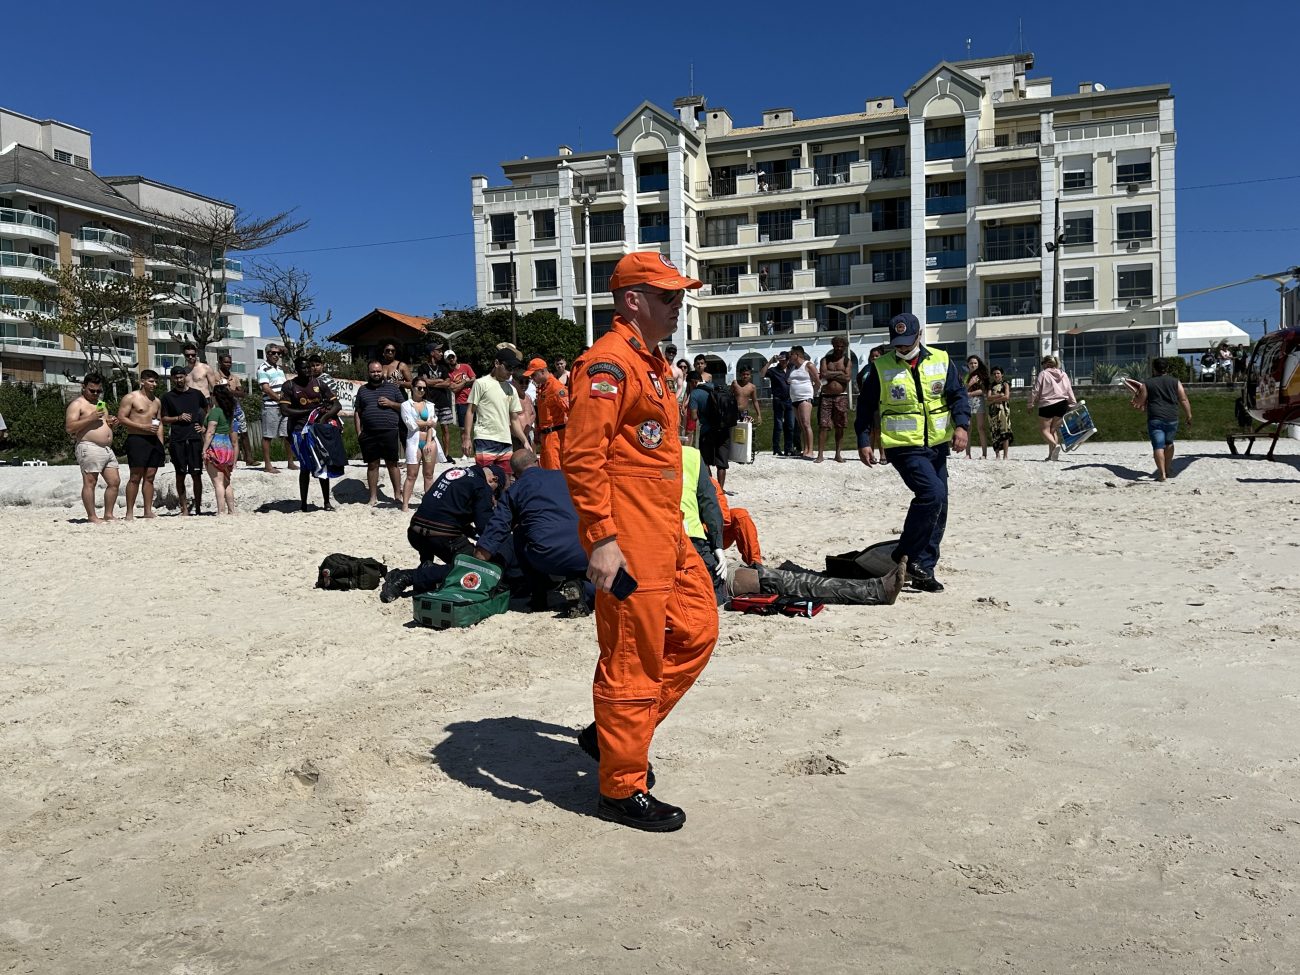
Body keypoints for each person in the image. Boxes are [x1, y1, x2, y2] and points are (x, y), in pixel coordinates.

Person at [563, 250, 718, 833]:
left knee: (699, 628)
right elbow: (582, 457)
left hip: (665, 529)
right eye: (669, 297)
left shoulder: (648, 362)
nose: (679, 307)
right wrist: (602, 540)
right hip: (629, 536)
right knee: (633, 657)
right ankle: (620, 785)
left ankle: (612, 736)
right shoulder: (607, 365)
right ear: (633, 300)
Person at [856, 312, 970, 594]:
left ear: (920, 336)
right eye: (898, 343)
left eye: (908, 341)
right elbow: (865, 406)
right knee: (932, 494)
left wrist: (962, 426)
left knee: (940, 505)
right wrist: (863, 440)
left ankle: (923, 569)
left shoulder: (942, 360)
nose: (903, 348)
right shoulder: (880, 368)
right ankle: (904, 553)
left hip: (937, 445)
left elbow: (957, 395)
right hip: (903, 447)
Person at [473, 448, 590, 610]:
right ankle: (584, 590)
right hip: (586, 552)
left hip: (547, 557)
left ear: (515, 475)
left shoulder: (514, 490)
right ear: (539, 462)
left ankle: (539, 597)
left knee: (521, 533)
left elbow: (497, 527)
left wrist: (480, 556)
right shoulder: (565, 476)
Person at [381, 464, 504, 602]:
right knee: (472, 567)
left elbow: (446, 510)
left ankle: (426, 571)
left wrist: (472, 532)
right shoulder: (482, 486)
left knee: (446, 543)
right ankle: (406, 576)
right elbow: (485, 527)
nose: (493, 498)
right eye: (496, 493)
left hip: (415, 532)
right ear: (494, 479)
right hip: (440, 537)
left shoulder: (454, 471)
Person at [282, 353, 342, 510]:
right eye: (304, 368)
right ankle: (303, 504)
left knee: (323, 465)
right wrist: (308, 412)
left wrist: (323, 418)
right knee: (305, 467)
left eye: (309, 367)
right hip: (299, 430)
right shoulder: (289, 386)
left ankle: (326, 502)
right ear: (296, 369)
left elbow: (337, 405)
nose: (308, 370)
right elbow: (285, 410)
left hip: (319, 431)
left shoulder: (320, 384)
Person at [65, 371, 120, 523]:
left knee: (114, 481)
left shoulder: (100, 405)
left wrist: (111, 423)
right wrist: (90, 418)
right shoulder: (77, 404)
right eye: (92, 390)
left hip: (106, 449)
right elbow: (70, 427)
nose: (95, 394)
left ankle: (108, 514)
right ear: (84, 387)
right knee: (90, 482)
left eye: (98, 391)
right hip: (88, 446)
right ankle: (92, 516)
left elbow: (104, 424)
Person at [462, 348, 527, 469]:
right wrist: (467, 438)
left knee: (506, 481)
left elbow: (514, 420)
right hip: (485, 438)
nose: (511, 372)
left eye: (513, 368)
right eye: (508, 367)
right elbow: (470, 411)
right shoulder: (481, 383)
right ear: (497, 363)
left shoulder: (511, 389)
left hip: (505, 441)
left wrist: (524, 441)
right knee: (487, 480)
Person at [1131, 357, 1193, 482]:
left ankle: (1162, 474)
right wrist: (1189, 415)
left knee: (1158, 446)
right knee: (1169, 443)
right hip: (1172, 417)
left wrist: (1134, 402)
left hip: (1155, 417)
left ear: (1154, 369)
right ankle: (1168, 468)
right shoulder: (1175, 382)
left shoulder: (1147, 384)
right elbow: (1183, 399)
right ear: (1167, 369)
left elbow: (1141, 401)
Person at [680, 444, 728, 604]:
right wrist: (718, 546)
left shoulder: (635, 453)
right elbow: (710, 505)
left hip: (649, 539)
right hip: (691, 538)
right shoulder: (691, 456)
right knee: (717, 586)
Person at [354, 359, 404, 506]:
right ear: (368, 373)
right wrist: (358, 432)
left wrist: (391, 403)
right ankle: (373, 497)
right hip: (369, 433)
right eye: (372, 371)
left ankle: (397, 496)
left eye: (378, 371)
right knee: (372, 464)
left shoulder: (393, 388)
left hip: (389, 431)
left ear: (382, 371)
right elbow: (358, 412)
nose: (376, 373)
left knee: (392, 463)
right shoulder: (362, 390)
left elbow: (405, 407)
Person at [116, 369, 164, 520]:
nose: (154, 384)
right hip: (137, 438)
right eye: (151, 381)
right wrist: (143, 427)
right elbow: (122, 418)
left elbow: (159, 421)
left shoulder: (157, 401)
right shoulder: (131, 397)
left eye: (156, 381)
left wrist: (161, 442)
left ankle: (148, 510)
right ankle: (129, 512)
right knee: (135, 476)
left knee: (150, 476)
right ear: (142, 381)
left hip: (153, 441)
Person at [161, 367, 207, 516]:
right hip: (177, 439)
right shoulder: (168, 397)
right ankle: (184, 508)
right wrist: (178, 418)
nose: (179, 380)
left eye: (181, 377)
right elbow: (164, 418)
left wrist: (204, 426)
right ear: (172, 379)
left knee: (196, 475)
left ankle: (198, 507)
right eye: (176, 378)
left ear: (186, 377)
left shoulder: (196, 394)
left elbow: (207, 408)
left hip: (194, 439)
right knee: (180, 474)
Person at [399, 377, 439, 512]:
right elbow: (410, 424)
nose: (421, 390)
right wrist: (427, 423)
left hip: (429, 442)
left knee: (428, 474)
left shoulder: (430, 405)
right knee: (411, 474)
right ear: (413, 388)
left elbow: (433, 426)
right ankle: (405, 504)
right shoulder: (406, 405)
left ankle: (428, 504)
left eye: (424, 388)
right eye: (419, 387)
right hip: (414, 442)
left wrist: (428, 441)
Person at [1027, 355, 1076, 461]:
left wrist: (1030, 404)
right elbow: (1069, 389)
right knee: (1053, 431)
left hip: (1047, 404)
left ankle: (1054, 445)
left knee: (1044, 430)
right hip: (1062, 404)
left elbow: (1035, 389)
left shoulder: (1043, 374)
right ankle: (1051, 456)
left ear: (1046, 364)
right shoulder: (1063, 374)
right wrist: (1072, 403)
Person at [201, 383, 239, 516]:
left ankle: (221, 511)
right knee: (227, 481)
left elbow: (210, 432)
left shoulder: (216, 411)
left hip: (216, 446)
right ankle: (231, 510)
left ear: (215, 396)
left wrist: (204, 449)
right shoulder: (229, 411)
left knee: (217, 482)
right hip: (227, 446)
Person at [256, 344, 294, 473]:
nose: (276, 355)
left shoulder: (279, 368)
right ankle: (267, 465)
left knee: (287, 434)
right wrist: (280, 400)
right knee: (268, 435)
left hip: (283, 406)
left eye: (278, 353)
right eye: (273, 353)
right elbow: (265, 388)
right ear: (267, 354)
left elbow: (287, 350)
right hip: (271, 406)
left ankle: (290, 462)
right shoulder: (263, 369)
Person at [527, 358, 569, 470]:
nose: (531, 378)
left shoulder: (556, 387)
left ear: (542, 371)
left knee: (554, 470)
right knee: (545, 469)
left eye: (533, 375)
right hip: (545, 436)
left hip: (555, 436)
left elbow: (570, 409)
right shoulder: (543, 388)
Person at [415, 344, 456, 458]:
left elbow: (448, 383)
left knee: (445, 429)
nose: (441, 353)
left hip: (443, 402)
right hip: (429, 402)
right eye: (439, 351)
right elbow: (424, 382)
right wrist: (439, 381)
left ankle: (447, 455)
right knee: (428, 428)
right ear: (432, 353)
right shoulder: (423, 367)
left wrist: (431, 383)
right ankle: (428, 453)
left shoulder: (443, 367)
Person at [817, 336, 851, 463]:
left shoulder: (847, 361)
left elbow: (848, 378)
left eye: (841, 346)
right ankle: (820, 454)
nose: (839, 348)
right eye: (837, 346)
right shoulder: (826, 359)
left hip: (841, 396)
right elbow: (823, 374)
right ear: (833, 346)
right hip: (826, 396)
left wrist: (833, 375)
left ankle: (838, 453)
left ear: (845, 347)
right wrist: (840, 374)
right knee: (823, 425)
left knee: (840, 425)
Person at [215, 353, 252, 467]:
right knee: (227, 434)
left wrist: (229, 391)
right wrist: (233, 392)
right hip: (223, 409)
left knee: (244, 432)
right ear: (220, 362)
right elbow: (218, 392)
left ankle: (249, 458)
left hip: (236, 407)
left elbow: (242, 393)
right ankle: (227, 458)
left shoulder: (234, 377)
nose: (228, 364)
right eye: (225, 362)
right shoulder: (216, 376)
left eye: (229, 362)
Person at [761, 351, 798, 456]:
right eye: (781, 360)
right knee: (778, 425)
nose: (783, 362)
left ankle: (788, 448)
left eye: (785, 360)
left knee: (790, 425)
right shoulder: (774, 370)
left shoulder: (792, 368)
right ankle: (776, 448)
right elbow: (762, 374)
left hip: (790, 400)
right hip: (778, 400)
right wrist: (769, 362)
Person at [787, 346, 819, 459]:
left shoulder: (808, 365)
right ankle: (805, 449)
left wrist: (812, 393)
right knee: (801, 425)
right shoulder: (793, 368)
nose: (789, 357)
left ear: (797, 355)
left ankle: (810, 450)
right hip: (795, 399)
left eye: (791, 354)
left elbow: (818, 381)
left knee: (806, 423)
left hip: (805, 398)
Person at [964, 355, 991, 459]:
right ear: (968, 364)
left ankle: (984, 454)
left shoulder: (982, 375)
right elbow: (963, 389)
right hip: (968, 402)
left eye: (975, 363)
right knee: (968, 427)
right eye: (971, 363)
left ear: (978, 364)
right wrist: (970, 383)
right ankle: (967, 454)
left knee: (981, 428)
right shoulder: (966, 376)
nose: (973, 365)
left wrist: (970, 393)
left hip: (979, 401)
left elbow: (983, 390)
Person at [986, 366, 1014, 460]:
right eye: (994, 374)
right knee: (994, 431)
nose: (996, 375)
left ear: (1002, 374)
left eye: (998, 373)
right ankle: (997, 454)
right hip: (993, 411)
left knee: (1005, 431)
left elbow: (1006, 397)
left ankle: (1005, 455)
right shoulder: (991, 385)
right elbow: (988, 397)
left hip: (1003, 410)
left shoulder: (1006, 384)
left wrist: (994, 398)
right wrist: (999, 396)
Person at [447, 351, 476, 431]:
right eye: (449, 358)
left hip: (472, 399)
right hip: (460, 402)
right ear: (446, 360)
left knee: (475, 427)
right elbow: (454, 389)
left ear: (456, 357)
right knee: (463, 429)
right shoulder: (448, 374)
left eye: (452, 357)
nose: (451, 359)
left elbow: (474, 379)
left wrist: (459, 385)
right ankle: (465, 443)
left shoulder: (466, 366)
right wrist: (465, 381)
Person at [511, 368, 537, 446]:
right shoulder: (511, 398)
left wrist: (528, 428)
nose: (524, 385)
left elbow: (533, 414)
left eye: (527, 382)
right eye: (521, 382)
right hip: (514, 438)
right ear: (513, 382)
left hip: (527, 436)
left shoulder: (528, 397)